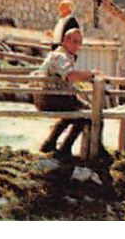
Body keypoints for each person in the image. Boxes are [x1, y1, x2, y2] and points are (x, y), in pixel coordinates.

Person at [32, 27, 93, 158]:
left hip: (50, 96)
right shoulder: (60, 56)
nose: (77, 46)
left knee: (86, 109)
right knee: (86, 115)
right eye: (75, 42)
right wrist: (91, 74)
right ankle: (66, 148)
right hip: (51, 98)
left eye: (79, 43)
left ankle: (49, 143)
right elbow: (70, 75)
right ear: (65, 40)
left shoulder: (61, 55)